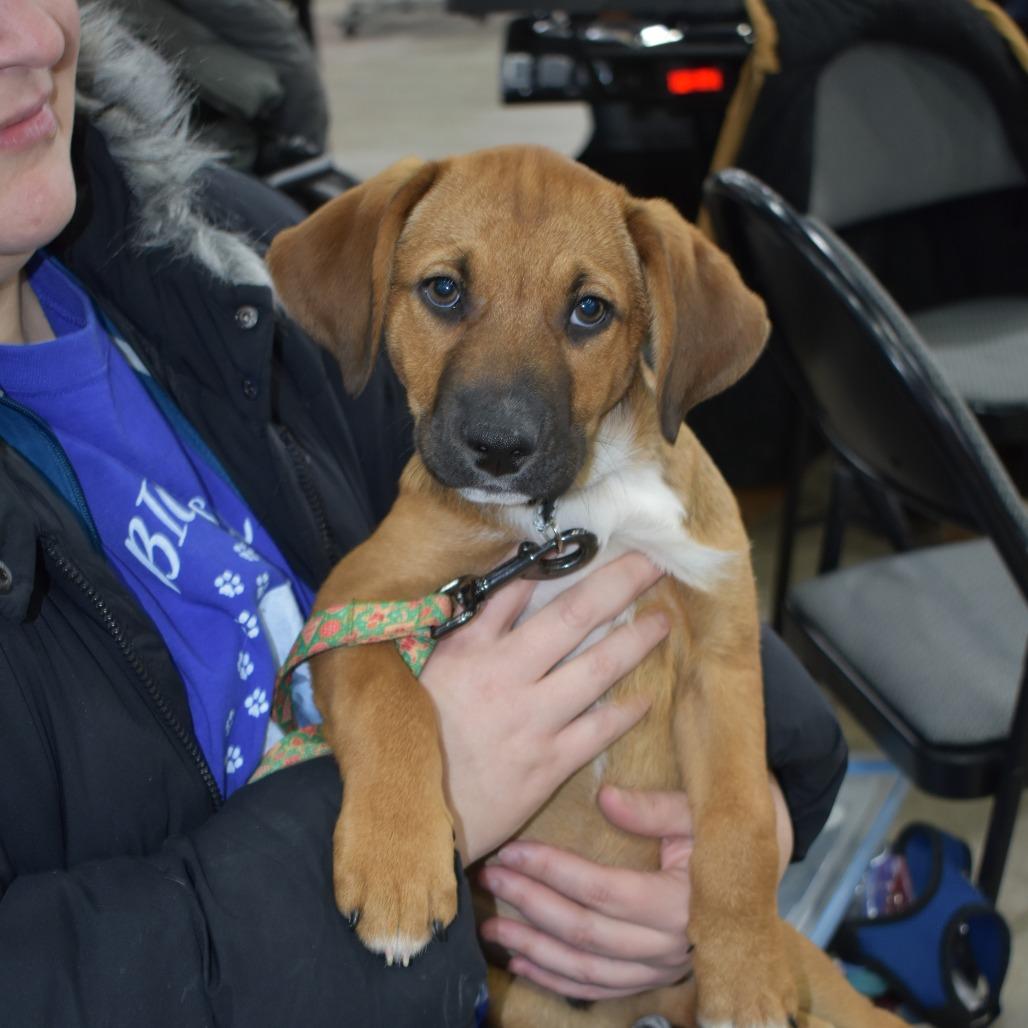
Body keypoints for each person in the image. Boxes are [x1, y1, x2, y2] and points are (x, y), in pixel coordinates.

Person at [0, 1, 848, 1024]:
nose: (28, 37)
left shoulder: (209, 247)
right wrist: (436, 786)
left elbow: (727, 655)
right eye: (446, 294)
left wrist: (732, 851)